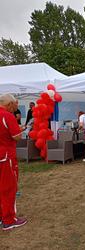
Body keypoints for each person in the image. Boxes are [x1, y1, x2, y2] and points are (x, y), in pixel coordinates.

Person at [0, 94, 27, 231]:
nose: (16, 106)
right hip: (6, 156)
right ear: (9, 104)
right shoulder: (8, 116)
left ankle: (2, 216)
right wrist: (20, 130)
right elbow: (16, 137)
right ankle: (9, 219)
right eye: (15, 103)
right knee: (9, 188)